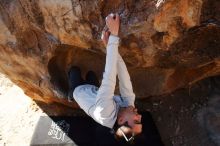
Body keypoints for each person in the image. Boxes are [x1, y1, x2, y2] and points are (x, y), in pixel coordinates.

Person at [68, 13, 142, 143]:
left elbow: (109, 79)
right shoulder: (128, 108)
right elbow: (124, 76)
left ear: (120, 120)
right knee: (91, 74)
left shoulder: (106, 114)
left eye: (136, 120)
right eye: (139, 119)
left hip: (80, 91)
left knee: (74, 71)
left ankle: (70, 94)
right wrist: (109, 46)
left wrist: (114, 37)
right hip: (95, 91)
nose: (139, 115)